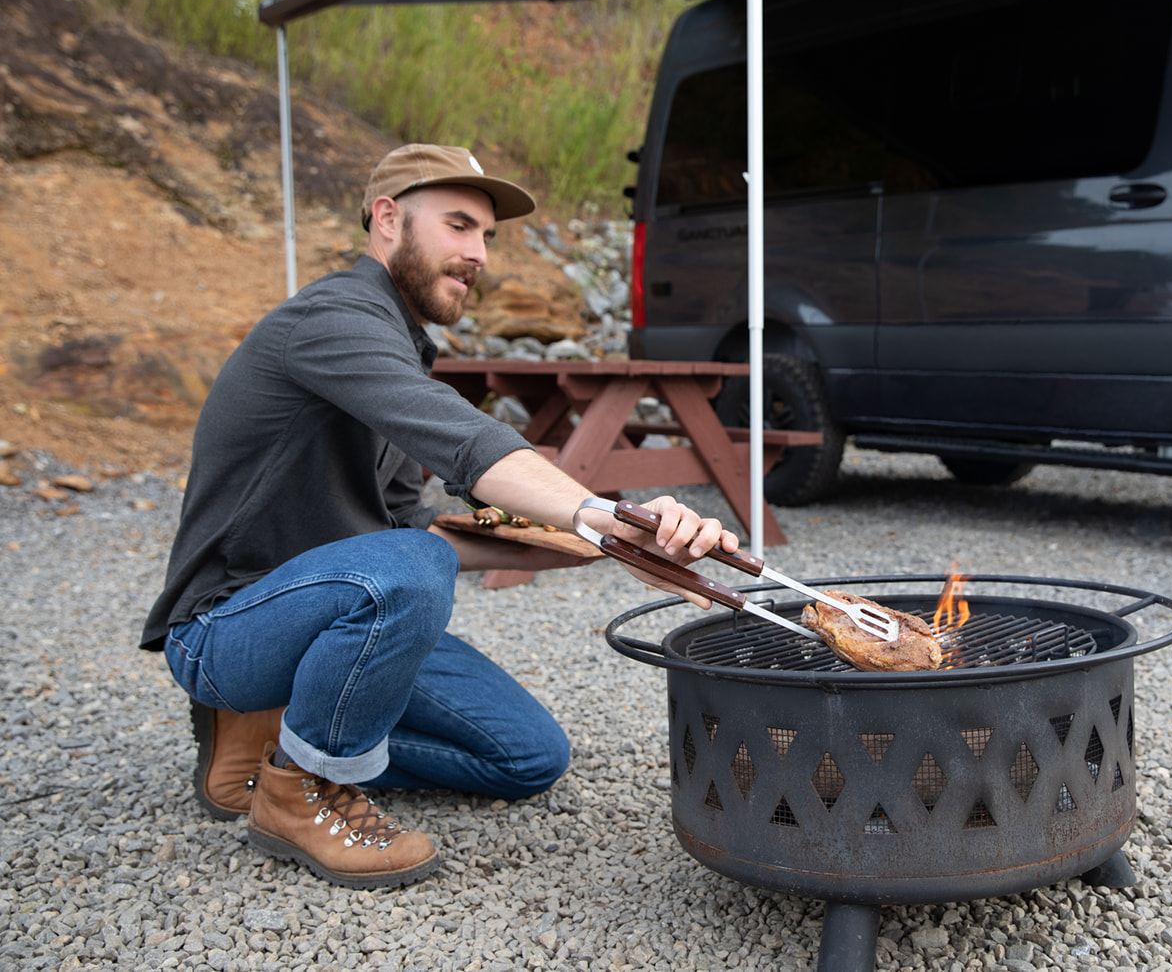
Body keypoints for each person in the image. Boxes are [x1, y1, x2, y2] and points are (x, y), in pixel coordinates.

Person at [141, 143, 736, 890]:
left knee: (527, 757)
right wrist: (600, 512)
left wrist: (576, 546)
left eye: (486, 236)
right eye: (458, 226)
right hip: (226, 630)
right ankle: (300, 790)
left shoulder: (400, 343)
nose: (477, 252)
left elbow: (408, 527)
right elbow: (461, 441)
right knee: (411, 574)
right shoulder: (333, 319)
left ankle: (286, 733)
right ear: (387, 219)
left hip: (337, 613)